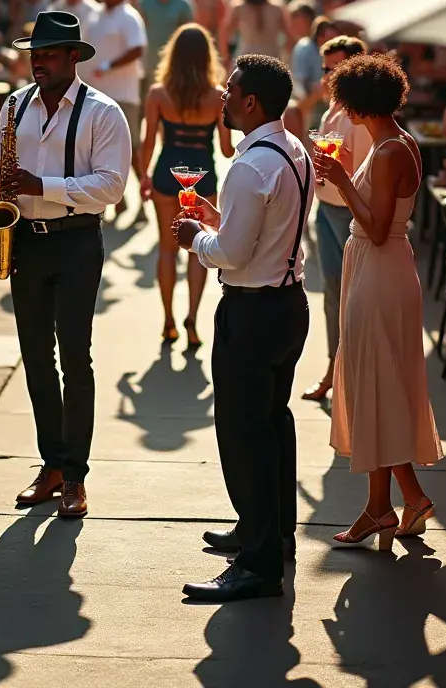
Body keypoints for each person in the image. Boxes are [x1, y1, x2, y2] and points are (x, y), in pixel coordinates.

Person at [0, 12, 131, 521]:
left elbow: (111, 185)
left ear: (73, 57)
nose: (36, 61)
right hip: (25, 240)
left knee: (75, 358)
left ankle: (75, 475)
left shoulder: (103, 112)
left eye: (46, 53)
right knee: (36, 357)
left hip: (75, 242)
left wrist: (40, 187)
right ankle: (50, 464)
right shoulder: (15, 104)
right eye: (32, 53)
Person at [174, 55, 313, 602]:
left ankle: (258, 563)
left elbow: (231, 254)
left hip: (253, 310)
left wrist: (195, 238)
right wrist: (217, 219)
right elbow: (263, 229)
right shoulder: (292, 148)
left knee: (244, 431)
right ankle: (271, 531)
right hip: (287, 305)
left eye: (230, 89)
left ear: (251, 101)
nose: (222, 95)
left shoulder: (250, 164)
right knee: (272, 424)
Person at [313, 53, 442, 550]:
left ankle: (384, 506)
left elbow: (376, 226)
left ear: (355, 102)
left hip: (379, 268)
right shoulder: (397, 141)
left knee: (374, 384)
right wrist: (346, 175)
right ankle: (392, 502)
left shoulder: (389, 150)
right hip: (381, 268)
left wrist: (342, 179)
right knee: (380, 385)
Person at [140, 24, 233, 349]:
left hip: (167, 175)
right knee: (197, 251)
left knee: (167, 249)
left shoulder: (158, 93)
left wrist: (143, 177)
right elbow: (225, 150)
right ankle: (192, 318)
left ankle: (168, 320)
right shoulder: (218, 95)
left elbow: (147, 143)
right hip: (203, 177)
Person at [300, 36, 372, 402]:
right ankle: (334, 367)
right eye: (324, 68)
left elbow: (362, 176)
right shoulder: (333, 109)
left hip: (346, 213)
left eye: (333, 69)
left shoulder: (358, 118)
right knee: (332, 293)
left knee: (348, 297)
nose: (325, 75)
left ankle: (348, 372)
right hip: (326, 209)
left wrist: (333, 169)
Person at [86, 0, 147, 219]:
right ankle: (115, 202)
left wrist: (110, 65)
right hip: (98, 92)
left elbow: (137, 49)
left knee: (131, 147)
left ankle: (145, 201)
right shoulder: (96, 15)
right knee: (98, 150)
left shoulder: (129, 17)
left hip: (123, 93)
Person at [136, 0, 193, 100]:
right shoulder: (145, 0)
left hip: (174, 59)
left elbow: (188, 33)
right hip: (150, 58)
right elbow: (140, 28)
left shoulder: (183, 3)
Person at [221, 0, 287, 63]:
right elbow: (288, 33)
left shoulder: (239, 8)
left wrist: (225, 55)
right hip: (271, 54)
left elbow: (226, 32)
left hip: (249, 55)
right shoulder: (276, 7)